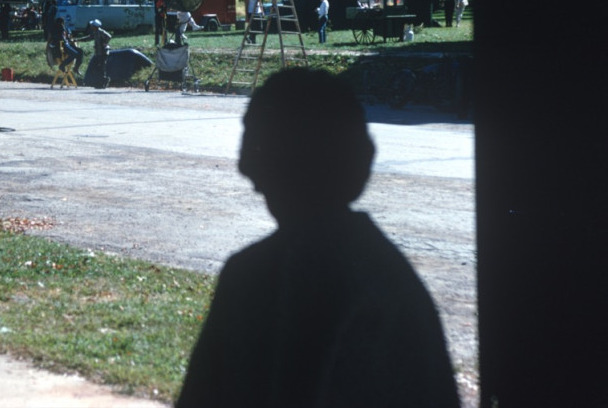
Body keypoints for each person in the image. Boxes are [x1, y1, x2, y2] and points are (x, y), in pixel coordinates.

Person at [176, 69, 459, 408]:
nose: (243, 167)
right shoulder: (391, 276)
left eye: (255, 144)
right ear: (362, 160)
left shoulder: (255, 276)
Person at [81, 19, 112, 89]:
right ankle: (99, 83)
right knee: (98, 68)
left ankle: (103, 83)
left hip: (103, 53)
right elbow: (88, 38)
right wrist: (78, 39)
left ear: (95, 26)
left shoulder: (101, 32)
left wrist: (105, 43)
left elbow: (109, 36)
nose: (91, 27)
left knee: (102, 68)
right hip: (98, 53)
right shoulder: (95, 32)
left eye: (92, 26)